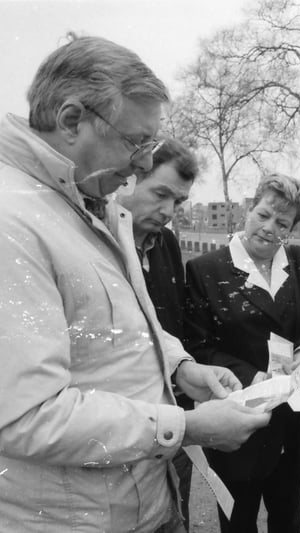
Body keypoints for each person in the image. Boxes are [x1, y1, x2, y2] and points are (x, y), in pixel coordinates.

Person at [0, 35, 272, 532]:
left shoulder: (87, 202)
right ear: (70, 121)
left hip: (136, 504)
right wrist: (186, 427)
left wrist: (184, 369)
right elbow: (26, 417)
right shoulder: (12, 223)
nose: (144, 164)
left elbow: (115, 327)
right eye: (134, 142)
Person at [184, 172, 300, 533]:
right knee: (238, 522)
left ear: (292, 229)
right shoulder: (206, 270)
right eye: (263, 214)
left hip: (290, 417)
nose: (269, 228)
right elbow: (198, 346)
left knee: (288, 519)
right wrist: (248, 375)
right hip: (236, 414)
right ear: (250, 207)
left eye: (283, 222)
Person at [117, 137, 199, 531]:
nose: (168, 211)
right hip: (124, 428)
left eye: (178, 202)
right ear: (131, 179)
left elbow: (169, 325)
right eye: (161, 194)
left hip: (175, 414)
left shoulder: (166, 242)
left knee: (175, 513)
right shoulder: (103, 243)